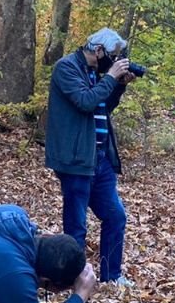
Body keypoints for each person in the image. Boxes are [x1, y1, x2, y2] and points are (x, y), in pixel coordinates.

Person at [46, 28, 138, 287]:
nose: (114, 60)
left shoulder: (93, 73)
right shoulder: (66, 68)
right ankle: (74, 279)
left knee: (115, 216)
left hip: (100, 158)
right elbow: (85, 102)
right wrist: (110, 77)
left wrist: (118, 86)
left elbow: (102, 106)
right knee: (76, 226)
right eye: (112, 55)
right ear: (98, 50)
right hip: (76, 160)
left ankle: (111, 276)